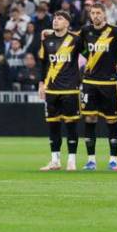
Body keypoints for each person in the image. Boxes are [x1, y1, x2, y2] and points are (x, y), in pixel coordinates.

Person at [79, 3, 117, 171]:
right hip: (90, 82)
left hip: (108, 82)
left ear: (105, 14)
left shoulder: (116, 31)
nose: (95, 16)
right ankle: (91, 160)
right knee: (90, 119)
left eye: (98, 13)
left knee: (111, 120)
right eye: (93, 13)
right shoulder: (85, 31)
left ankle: (113, 159)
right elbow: (77, 47)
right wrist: (91, 58)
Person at [37, 10, 82, 171]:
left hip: (70, 89)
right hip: (51, 89)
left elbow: (89, 57)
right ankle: (55, 160)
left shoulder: (76, 40)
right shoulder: (46, 40)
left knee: (71, 125)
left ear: (67, 23)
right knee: (53, 125)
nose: (56, 21)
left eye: (60, 18)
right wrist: (41, 83)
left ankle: (72, 160)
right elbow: (43, 64)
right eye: (55, 18)